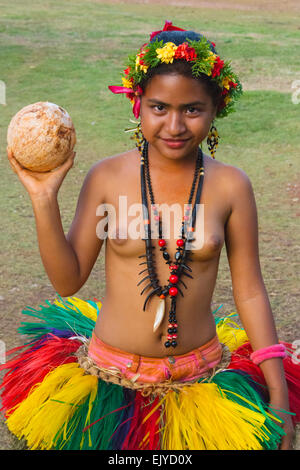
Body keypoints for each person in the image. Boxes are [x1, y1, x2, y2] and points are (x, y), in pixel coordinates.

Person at [1, 21, 300, 451]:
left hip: (201, 379)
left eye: (192, 109)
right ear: (137, 104)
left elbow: (250, 291)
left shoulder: (232, 186)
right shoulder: (106, 177)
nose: (174, 125)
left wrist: (279, 395)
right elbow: (68, 282)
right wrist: (44, 198)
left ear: (217, 107)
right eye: (159, 107)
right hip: (109, 378)